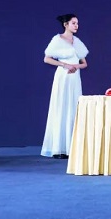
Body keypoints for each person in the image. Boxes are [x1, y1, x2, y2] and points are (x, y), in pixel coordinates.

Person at [41, 14, 89, 159]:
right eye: (73, 23)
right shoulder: (57, 40)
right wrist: (65, 65)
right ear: (65, 24)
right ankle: (58, 148)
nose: (76, 26)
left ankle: (71, 147)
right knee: (61, 107)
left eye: (77, 23)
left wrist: (75, 66)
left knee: (73, 107)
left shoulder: (77, 42)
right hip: (63, 76)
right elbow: (47, 58)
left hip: (74, 78)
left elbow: (84, 63)